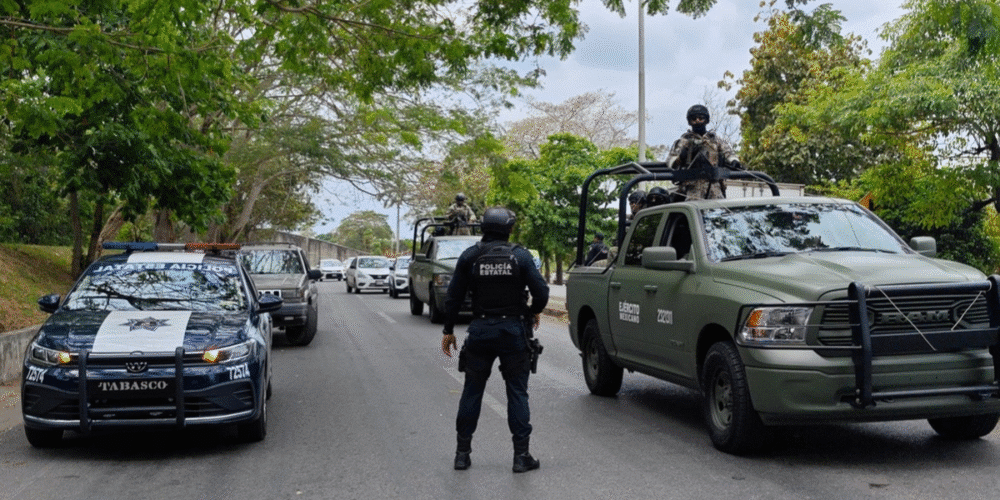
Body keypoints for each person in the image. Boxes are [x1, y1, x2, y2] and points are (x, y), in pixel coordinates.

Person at [441, 206, 550, 473]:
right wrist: (533, 311)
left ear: (484, 228)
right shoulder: (520, 257)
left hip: (479, 330)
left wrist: (448, 331)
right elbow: (542, 291)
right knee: (517, 393)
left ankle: (462, 455)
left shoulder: (470, 256)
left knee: (472, 391)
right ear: (509, 228)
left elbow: (453, 297)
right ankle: (521, 456)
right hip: (512, 332)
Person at [666, 105, 742, 200]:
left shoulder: (715, 140)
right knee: (692, 212)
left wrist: (734, 161)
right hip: (691, 187)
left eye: (701, 118)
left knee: (720, 211)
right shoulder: (683, 141)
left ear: (706, 120)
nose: (697, 121)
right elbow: (670, 162)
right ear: (689, 122)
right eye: (694, 119)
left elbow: (728, 153)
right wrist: (681, 157)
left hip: (714, 186)